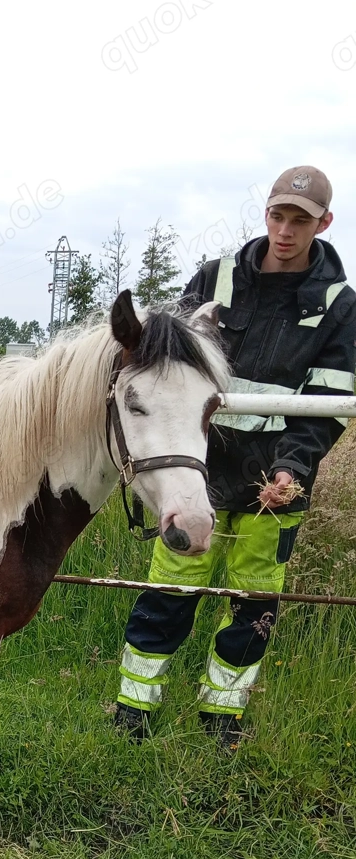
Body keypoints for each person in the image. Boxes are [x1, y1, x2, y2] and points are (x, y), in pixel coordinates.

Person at [115, 166, 356, 749]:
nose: (285, 230)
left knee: (254, 602)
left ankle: (222, 718)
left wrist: (292, 469)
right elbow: (173, 375)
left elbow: (330, 401)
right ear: (266, 214)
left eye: (301, 220)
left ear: (324, 223)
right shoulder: (213, 278)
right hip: (201, 470)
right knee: (170, 588)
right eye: (278, 215)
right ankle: (132, 711)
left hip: (277, 479)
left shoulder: (338, 305)